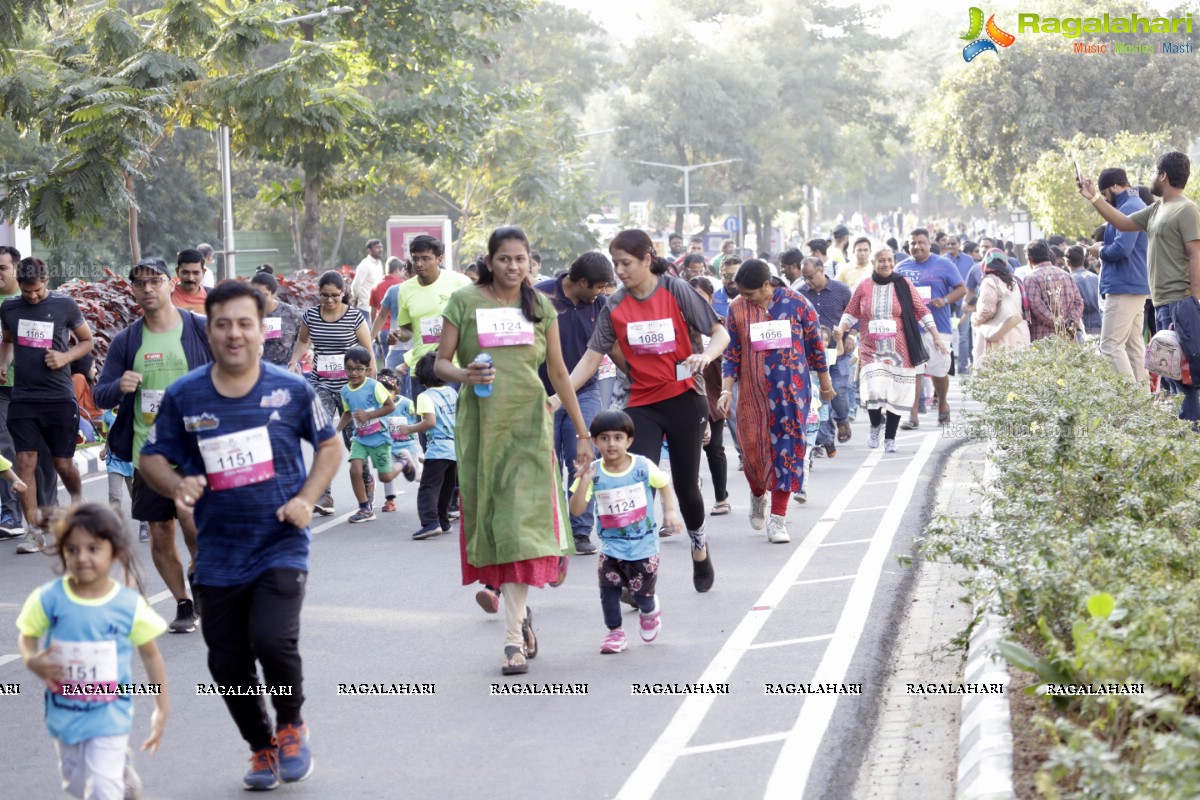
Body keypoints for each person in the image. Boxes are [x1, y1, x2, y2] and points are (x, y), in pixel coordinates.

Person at [139, 281, 343, 790]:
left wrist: (305, 498)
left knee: (273, 641)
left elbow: (330, 446)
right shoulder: (187, 395)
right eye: (223, 324)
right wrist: (176, 482)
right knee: (227, 660)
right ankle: (261, 747)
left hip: (280, 542)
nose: (234, 334)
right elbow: (151, 457)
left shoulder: (291, 389)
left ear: (261, 330)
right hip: (218, 553)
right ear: (210, 330)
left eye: (244, 323)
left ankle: (292, 724)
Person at [435, 226, 590, 676]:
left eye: (520, 259)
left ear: (530, 262)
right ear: (489, 260)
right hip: (482, 427)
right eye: (504, 258)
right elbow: (440, 362)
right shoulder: (464, 302)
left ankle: (510, 640)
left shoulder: (541, 307)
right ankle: (520, 617)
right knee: (498, 521)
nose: (513, 266)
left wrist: (582, 432)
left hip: (529, 425)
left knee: (521, 522)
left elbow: (559, 374)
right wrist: (465, 376)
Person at [567, 229, 730, 593]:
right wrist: (558, 397)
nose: (619, 271)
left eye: (626, 263)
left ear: (646, 259)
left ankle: (699, 546)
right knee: (636, 481)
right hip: (641, 402)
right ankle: (634, 570)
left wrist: (706, 354)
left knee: (687, 485)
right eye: (615, 264)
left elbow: (721, 333)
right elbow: (591, 358)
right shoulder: (615, 304)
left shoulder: (676, 290)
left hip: (685, 397)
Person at [16, 503, 169, 800]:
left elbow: (150, 655)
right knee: (75, 784)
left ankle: (114, 772)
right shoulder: (49, 598)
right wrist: (32, 660)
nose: (82, 558)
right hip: (65, 714)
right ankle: (121, 766)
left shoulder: (127, 605)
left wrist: (161, 708)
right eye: (72, 550)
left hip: (110, 715)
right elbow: (27, 636)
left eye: (93, 549)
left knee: (100, 790)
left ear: (114, 551)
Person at [93, 256, 212, 634]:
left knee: (192, 522)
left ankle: (201, 573)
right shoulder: (127, 340)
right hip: (149, 453)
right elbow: (100, 394)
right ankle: (183, 602)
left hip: (195, 448)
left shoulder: (199, 329)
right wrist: (119, 386)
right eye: (140, 283)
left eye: (155, 281)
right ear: (133, 289)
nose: (148, 289)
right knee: (160, 531)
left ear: (169, 283)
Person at [719, 260, 833, 543]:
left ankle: (778, 519)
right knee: (752, 454)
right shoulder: (736, 308)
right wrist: (725, 390)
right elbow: (731, 353)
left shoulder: (797, 304)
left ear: (767, 285)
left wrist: (826, 384)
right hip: (752, 396)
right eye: (742, 294)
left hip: (791, 394)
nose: (746, 298)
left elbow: (816, 348)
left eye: (750, 294)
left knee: (787, 451)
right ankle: (758, 493)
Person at [1083, 152, 1200, 420]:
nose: (1147, 179)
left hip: (1180, 303)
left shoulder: (1187, 209)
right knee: (1170, 375)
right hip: (1161, 303)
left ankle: (1190, 439)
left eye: (1152, 171)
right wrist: (1093, 198)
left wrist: (1195, 302)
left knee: (1184, 379)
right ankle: (1176, 434)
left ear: (1163, 175)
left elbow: (1196, 255)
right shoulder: (1157, 209)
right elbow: (1122, 222)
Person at [0, 257, 93, 553]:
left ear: (46, 280)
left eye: (37, 291)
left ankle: (79, 508)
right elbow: (8, 339)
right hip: (24, 398)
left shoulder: (65, 305)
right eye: (27, 292)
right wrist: (3, 363)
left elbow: (86, 341)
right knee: (25, 460)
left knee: (62, 463)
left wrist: (64, 358)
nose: (32, 297)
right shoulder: (9, 308)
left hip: (58, 397)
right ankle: (33, 530)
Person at [569, 409, 681, 654]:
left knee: (642, 596)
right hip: (611, 548)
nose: (611, 443)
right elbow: (576, 510)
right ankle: (615, 632)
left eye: (618, 437)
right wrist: (584, 482)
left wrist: (670, 512)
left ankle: (649, 611)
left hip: (644, 547)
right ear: (595, 441)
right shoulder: (594, 472)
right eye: (605, 438)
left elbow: (663, 484)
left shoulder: (642, 466)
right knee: (608, 593)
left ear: (629, 440)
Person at [535, 252, 614, 555]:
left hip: (584, 391)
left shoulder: (600, 304)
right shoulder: (540, 296)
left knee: (584, 459)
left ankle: (580, 530)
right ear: (582, 282)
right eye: (597, 287)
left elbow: (603, 354)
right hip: (542, 394)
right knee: (546, 461)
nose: (601, 293)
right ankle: (548, 529)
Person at [834, 247, 947, 453]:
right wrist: (841, 329)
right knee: (873, 390)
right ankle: (875, 425)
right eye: (881, 261)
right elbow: (851, 312)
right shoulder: (864, 286)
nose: (886, 264)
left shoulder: (904, 284)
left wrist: (936, 336)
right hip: (871, 348)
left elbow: (921, 310)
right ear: (873, 263)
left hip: (900, 349)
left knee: (896, 394)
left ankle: (890, 438)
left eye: (889, 261)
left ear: (894, 263)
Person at [290, 270, 374, 515]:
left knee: (353, 440)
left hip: (352, 386)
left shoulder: (354, 317)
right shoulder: (311, 315)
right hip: (321, 384)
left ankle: (366, 483)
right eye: (324, 296)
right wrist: (294, 360)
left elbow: (369, 353)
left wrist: (371, 389)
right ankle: (324, 494)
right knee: (321, 434)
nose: (329, 301)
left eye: (334, 296)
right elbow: (303, 341)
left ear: (344, 293)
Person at [370, 236, 471, 405]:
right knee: (424, 427)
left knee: (453, 427)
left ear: (440, 259)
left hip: (452, 367)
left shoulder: (460, 282)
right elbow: (408, 331)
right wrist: (398, 334)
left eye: (426, 258)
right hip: (421, 370)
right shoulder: (405, 289)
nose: (419, 264)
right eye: (415, 258)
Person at [894, 228, 965, 428]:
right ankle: (913, 415)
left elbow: (962, 289)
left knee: (939, 371)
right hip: (911, 328)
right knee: (913, 372)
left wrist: (944, 300)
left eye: (920, 242)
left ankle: (942, 402)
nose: (916, 246)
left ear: (929, 243)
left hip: (939, 327)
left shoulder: (944, 264)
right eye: (913, 243)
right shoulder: (901, 268)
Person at [1087, 167, 1150, 385]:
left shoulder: (1130, 206)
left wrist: (1100, 251)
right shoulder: (1133, 204)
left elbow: (1122, 249)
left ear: (1115, 186)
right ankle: (1141, 408)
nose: (1105, 199)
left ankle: (1129, 403)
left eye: (1105, 194)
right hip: (1133, 284)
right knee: (1133, 348)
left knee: (1110, 346)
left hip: (1124, 285)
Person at [335, 346, 401, 524]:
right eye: (349, 368)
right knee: (355, 469)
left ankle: (404, 463)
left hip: (379, 437)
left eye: (358, 369)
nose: (353, 373)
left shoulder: (375, 386)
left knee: (385, 477)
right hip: (360, 438)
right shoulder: (345, 391)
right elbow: (347, 413)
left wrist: (369, 415)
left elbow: (390, 406)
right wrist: (335, 431)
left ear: (368, 370)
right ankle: (365, 507)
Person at [797, 258, 854, 447]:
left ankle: (842, 418)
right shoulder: (800, 293)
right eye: (804, 278)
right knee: (820, 394)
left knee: (839, 388)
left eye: (811, 277)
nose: (807, 282)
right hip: (812, 354)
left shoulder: (842, 290)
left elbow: (856, 315)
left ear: (821, 270)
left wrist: (850, 337)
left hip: (838, 351)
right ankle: (825, 436)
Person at [687, 276, 730, 516]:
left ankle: (721, 497)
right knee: (687, 450)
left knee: (714, 447)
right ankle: (691, 491)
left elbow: (730, 362)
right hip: (687, 393)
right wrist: (691, 366)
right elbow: (675, 367)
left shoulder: (719, 326)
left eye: (701, 297)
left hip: (714, 393)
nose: (696, 303)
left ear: (711, 298)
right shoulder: (681, 326)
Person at [972, 249, 1031, 362]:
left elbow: (987, 311)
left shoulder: (989, 281)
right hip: (1019, 332)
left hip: (999, 335)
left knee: (997, 374)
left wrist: (974, 319)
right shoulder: (1016, 280)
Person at [1022, 239, 1084, 342]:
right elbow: (1079, 303)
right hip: (1069, 337)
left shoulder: (1031, 278)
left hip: (1045, 341)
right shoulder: (1066, 274)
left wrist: (1060, 324)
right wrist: (1070, 323)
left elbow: (1038, 308)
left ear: (1029, 259)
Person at [376, 369, 420, 513]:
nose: (385, 395)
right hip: (388, 447)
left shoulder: (407, 404)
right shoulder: (378, 407)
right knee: (386, 470)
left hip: (407, 447)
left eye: (388, 391)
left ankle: (435, 491)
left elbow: (421, 417)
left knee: (417, 477)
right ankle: (390, 501)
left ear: (396, 389)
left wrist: (411, 427)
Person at [250, 270, 304, 369]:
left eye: (264, 295)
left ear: (273, 293)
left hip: (284, 368)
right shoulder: (246, 314)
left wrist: (303, 355)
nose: (259, 298)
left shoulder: (292, 313)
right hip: (254, 369)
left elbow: (306, 337)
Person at [369, 257, 406, 364]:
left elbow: (374, 312)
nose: (404, 273)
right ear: (397, 270)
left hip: (382, 330)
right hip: (399, 331)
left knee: (388, 363)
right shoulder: (403, 285)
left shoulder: (375, 286)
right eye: (402, 270)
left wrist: (374, 333)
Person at [1067, 245, 1102, 335]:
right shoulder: (1096, 277)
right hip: (1102, 324)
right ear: (1083, 260)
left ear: (1067, 262)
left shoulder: (1069, 280)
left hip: (1084, 328)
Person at [349, 238, 385, 310]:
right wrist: (357, 299)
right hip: (365, 308)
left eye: (381, 247)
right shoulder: (365, 265)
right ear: (369, 250)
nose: (380, 250)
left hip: (376, 308)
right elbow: (356, 286)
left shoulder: (379, 264)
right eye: (377, 247)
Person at [170, 250, 207, 314]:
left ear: (203, 272)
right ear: (177, 271)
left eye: (196, 273)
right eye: (185, 272)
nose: (190, 278)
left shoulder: (211, 297)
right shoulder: (167, 295)